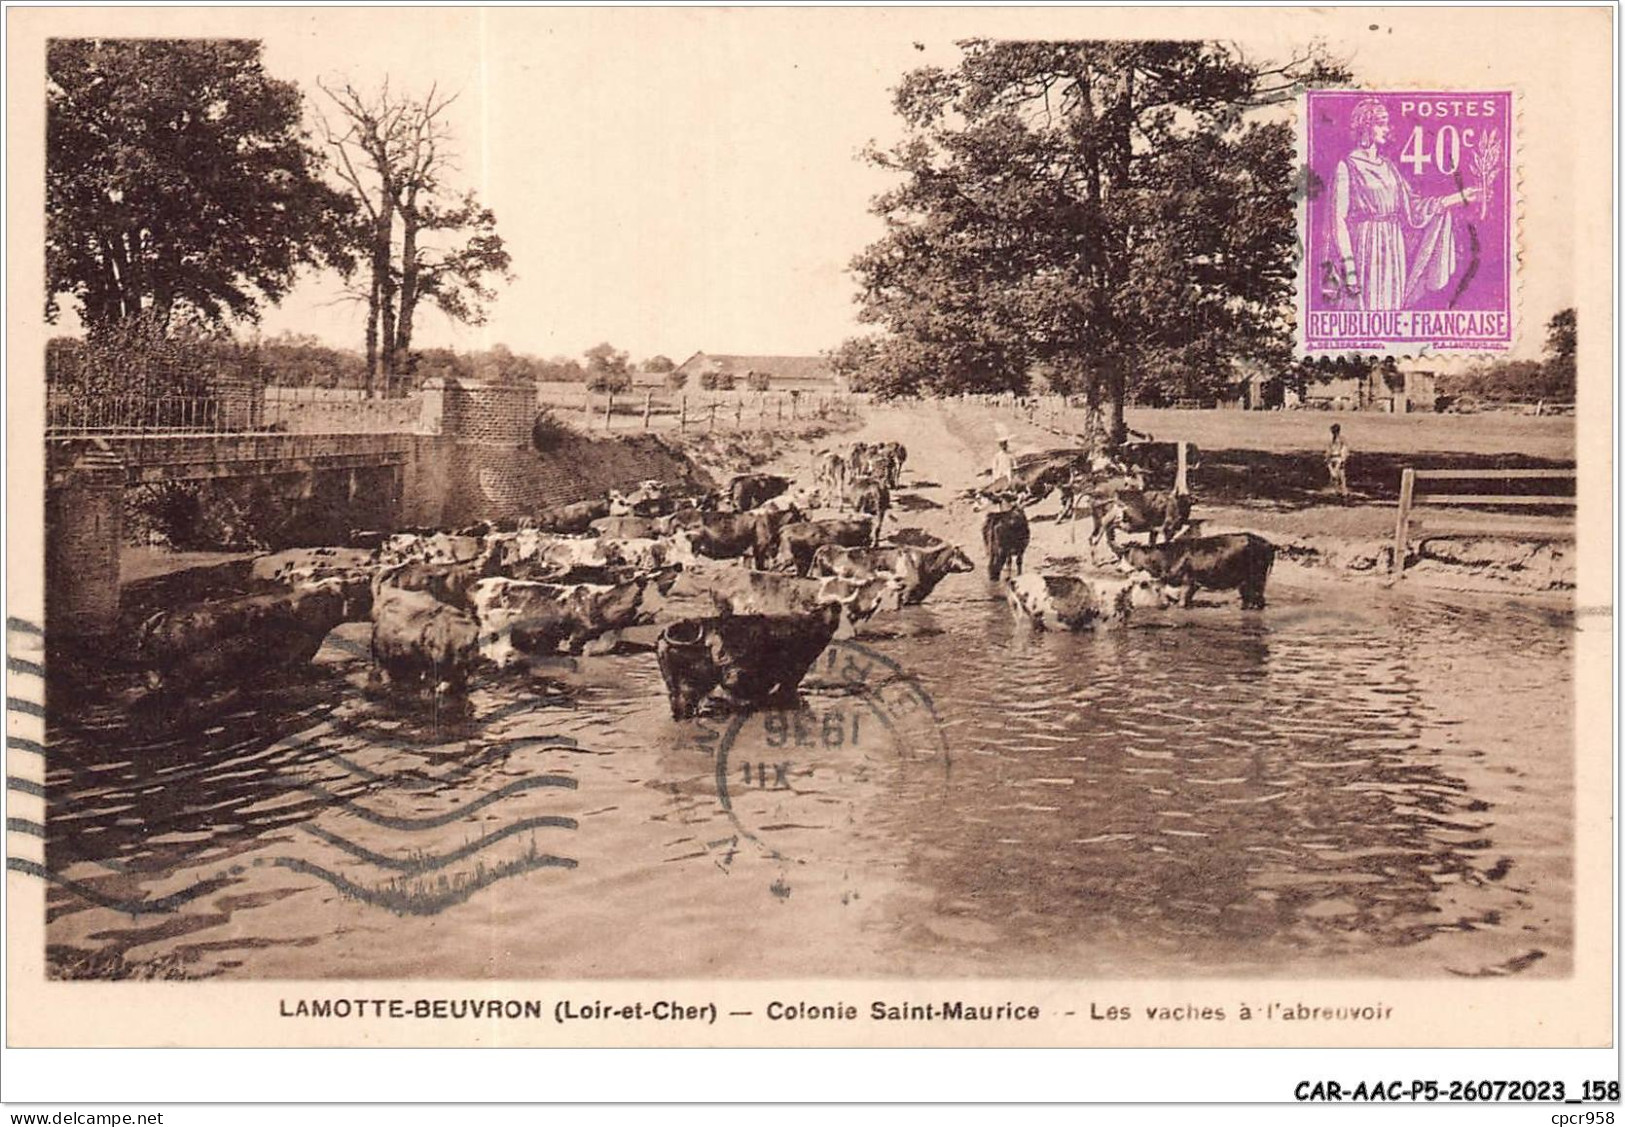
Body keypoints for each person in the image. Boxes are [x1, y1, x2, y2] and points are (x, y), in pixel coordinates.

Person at [1330, 98, 1480, 310]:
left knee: (1391, 310)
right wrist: (1350, 268)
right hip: (1365, 246)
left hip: (1393, 247)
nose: (1386, 129)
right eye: (1380, 123)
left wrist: (1459, 197)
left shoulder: (1389, 167)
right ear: (1365, 126)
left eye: (1387, 123)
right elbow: (1338, 220)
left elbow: (1414, 209)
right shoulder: (1347, 166)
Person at [1325, 423, 1351, 500]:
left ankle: (1344, 492)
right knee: (1334, 476)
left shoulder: (1342, 440)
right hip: (1333, 458)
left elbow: (1344, 449)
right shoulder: (1331, 440)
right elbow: (1328, 451)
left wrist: (1342, 459)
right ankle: (1336, 491)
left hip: (1339, 458)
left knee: (1341, 475)